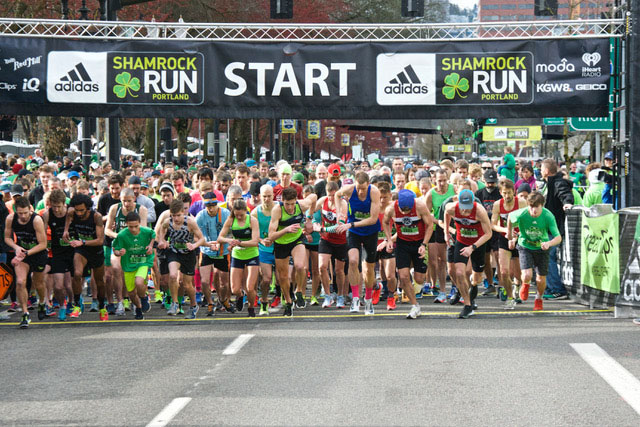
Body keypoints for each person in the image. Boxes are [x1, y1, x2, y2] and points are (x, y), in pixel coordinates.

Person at [334, 171, 382, 315]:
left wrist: (351, 224)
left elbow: (373, 219)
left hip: (370, 232)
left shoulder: (374, 192)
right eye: (358, 188)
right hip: (354, 232)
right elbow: (337, 195)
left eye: (363, 188)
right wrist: (340, 214)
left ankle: (367, 300)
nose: (361, 191)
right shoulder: (349, 190)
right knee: (353, 261)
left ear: (368, 184)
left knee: (368, 268)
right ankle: (355, 298)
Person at [507, 191, 563, 311]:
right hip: (525, 245)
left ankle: (539, 298)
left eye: (536, 207)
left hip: (541, 247)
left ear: (542, 206)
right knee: (527, 274)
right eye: (531, 207)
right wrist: (510, 236)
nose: (533, 211)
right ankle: (525, 284)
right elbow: (510, 218)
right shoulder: (522, 214)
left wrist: (549, 243)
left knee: (540, 279)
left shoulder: (548, 216)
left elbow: (558, 238)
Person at [268, 186, 317, 317]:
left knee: (301, 266)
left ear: (296, 200)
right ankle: (288, 302)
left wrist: (309, 220)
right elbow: (271, 235)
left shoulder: (301, 205)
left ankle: (299, 291)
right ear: (282, 201)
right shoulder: (277, 210)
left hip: (296, 240)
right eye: (287, 204)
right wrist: (286, 229)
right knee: (283, 277)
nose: (289, 207)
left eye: (292, 204)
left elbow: (314, 197)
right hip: (281, 243)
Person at [383, 189, 432, 319]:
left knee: (419, 279)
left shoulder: (420, 206)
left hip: (419, 244)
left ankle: (414, 275)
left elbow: (430, 225)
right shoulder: (391, 209)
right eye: (402, 210)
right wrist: (388, 240)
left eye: (408, 210)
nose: (405, 212)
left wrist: (424, 244)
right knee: (403, 276)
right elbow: (385, 222)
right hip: (402, 244)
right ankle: (415, 306)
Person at [443, 189, 493, 319]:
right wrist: (446, 232)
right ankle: (467, 305)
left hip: (478, 243)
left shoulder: (480, 211)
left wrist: (473, 247)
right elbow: (446, 213)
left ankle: (474, 287)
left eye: (468, 207)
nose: (466, 211)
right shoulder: (452, 208)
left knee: (476, 278)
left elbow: (489, 234)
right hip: (461, 241)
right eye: (463, 208)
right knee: (459, 272)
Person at [157, 199, 206, 318]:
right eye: (173, 215)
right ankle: (174, 303)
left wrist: (193, 245)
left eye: (178, 215)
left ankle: (193, 306)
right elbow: (161, 230)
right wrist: (162, 240)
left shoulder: (190, 222)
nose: (176, 218)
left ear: (183, 213)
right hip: (174, 252)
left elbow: (202, 239)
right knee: (173, 276)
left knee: (187, 285)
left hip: (188, 254)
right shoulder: (167, 222)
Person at [4, 196, 48, 328]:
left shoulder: (36, 220)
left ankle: (41, 302)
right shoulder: (11, 219)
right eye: (20, 213)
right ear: (15, 211)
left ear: (30, 209)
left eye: (25, 213)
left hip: (37, 252)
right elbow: (7, 238)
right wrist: (17, 248)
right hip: (23, 253)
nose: (23, 216)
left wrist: (26, 253)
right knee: (20, 281)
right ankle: (25, 313)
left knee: (38, 282)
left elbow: (43, 244)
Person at [63, 194, 107, 321]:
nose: (79, 213)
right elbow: (68, 217)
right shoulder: (72, 212)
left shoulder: (96, 217)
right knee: (77, 274)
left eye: (81, 210)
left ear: (88, 208)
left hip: (95, 249)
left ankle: (102, 306)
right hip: (81, 249)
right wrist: (66, 230)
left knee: (100, 282)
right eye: (77, 210)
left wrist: (82, 242)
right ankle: (77, 305)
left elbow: (100, 240)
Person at [104, 188, 148, 316]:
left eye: (129, 201)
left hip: (135, 247)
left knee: (136, 276)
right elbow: (107, 230)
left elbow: (144, 230)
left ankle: (137, 301)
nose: (127, 204)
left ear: (134, 199)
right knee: (116, 269)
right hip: (119, 244)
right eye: (124, 201)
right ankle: (120, 302)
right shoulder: (115, 208)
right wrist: (118, 235)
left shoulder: (141, 210)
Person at [216, 198, 260, 317]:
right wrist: (230, 240)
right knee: (235, 289)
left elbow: (255, 241)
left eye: (241, 215)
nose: (239, 217)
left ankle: (251, 307)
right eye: (237, 215)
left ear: (246, 211)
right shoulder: (231, 220)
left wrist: (240, 243)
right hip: (237, 255)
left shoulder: (252, 220)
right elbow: (220, 238)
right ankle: (240, 296)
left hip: (252, 254)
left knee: (250, 287)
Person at [112, 211, 156, 320]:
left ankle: (144, 298)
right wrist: (119, 253)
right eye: (131, 227)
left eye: (136, 226)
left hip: (143, 261)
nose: (134, 229)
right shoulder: (122, 235)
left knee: (139, 282)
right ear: (126, 224)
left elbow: (153, 234)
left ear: (140, 223)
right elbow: (115, 248)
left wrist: (150, 246)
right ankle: (139, 309)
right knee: (131, 293)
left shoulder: (146, 231)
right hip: (129, 265)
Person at [540, 158, 573, 300]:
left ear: (546, 171)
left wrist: (567, 203)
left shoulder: (558, 183)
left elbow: (566, 194)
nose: (540, 171)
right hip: (546, 227)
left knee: (549, 257)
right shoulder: (548, 184)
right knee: (546, 257)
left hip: (554, 229)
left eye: (541, 169)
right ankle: (550, 286)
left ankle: (557, 289)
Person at [491, 179, 526, 310]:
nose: (507, 196)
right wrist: (506, 230)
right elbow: (493, 225)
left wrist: (516, 236)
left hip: (520, 237)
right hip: (504, 238)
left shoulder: (521, 203)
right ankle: (510, 297)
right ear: (500, 192)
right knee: (504, 272)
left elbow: (526, 221)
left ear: (514, 192)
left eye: (510, 193)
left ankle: (517, 287)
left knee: (519, 273)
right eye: (504, 193)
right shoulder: (497, 205)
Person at [196, 192, 231, 316]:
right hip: (206, 250)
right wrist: (206, 244)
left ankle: (222, 300)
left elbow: (232, 232)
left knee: (224, 283)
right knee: (205, 281)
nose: (211, 208)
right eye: (208, 205)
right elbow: (195, 235)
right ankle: (210, 302)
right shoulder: (200, 215)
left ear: (217, 204)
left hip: (223, 251)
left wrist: (224, 242)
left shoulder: (226, 214)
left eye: (213, 205)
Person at [41, 189, 75, 321]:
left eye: (58, 206)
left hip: (72, 251)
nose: (56, 209)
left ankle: (72, 302)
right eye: (53, 206)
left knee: (69, 285)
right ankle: (62, 306)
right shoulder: (47, 214)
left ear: (64, 204)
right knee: (58, 286)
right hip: (57, 252)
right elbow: (43, 234)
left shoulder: (70, 213)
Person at [315, 180, 348, 309]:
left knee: (339, 271)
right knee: (322, 266)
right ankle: (327, 296)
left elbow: (339, 226)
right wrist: (311, 221)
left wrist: (322, 229)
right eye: (329, 195)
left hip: (340, 240)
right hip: (326, 240)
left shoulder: (343, 204)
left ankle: (340, 296)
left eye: (334, 195)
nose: (331, 198)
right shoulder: (323, 201)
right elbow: (311, 209)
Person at [425, 169, 455, 303]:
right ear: (434, 180)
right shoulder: (431, 194)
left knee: (453, 262)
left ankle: (456, 287)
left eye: (444, 180)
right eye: (439, 181)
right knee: (441, 261)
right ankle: (442, 291)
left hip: (454, 227)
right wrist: (439, 222)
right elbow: (426, 215)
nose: (442, 183)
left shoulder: (453, 190)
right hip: (439, 229)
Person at [251, 184, 276, 315]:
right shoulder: (255, 212)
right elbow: (253, 233)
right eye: (264, 196)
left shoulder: (279, 208)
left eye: (269, 196)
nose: (266, 199)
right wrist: (261, 240)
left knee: (284, 278)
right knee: (266, 279)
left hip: (279, 247)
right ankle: (264, 302)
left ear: (274, 196)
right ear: (260, 196)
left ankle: (285, 297)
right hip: (264, 248)